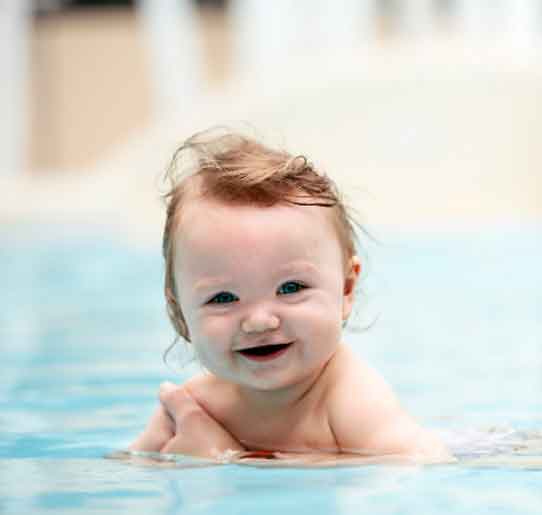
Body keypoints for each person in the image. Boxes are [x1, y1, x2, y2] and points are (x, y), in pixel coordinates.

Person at [128, 129, 449, 464]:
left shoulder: (348, 399)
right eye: (222, 298)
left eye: (291, 288)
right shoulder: (195, 407)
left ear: (345, 289)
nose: (259, 321)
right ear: (179, 312)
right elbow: (131, 469)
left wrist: (229, 457)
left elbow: (421, 463)